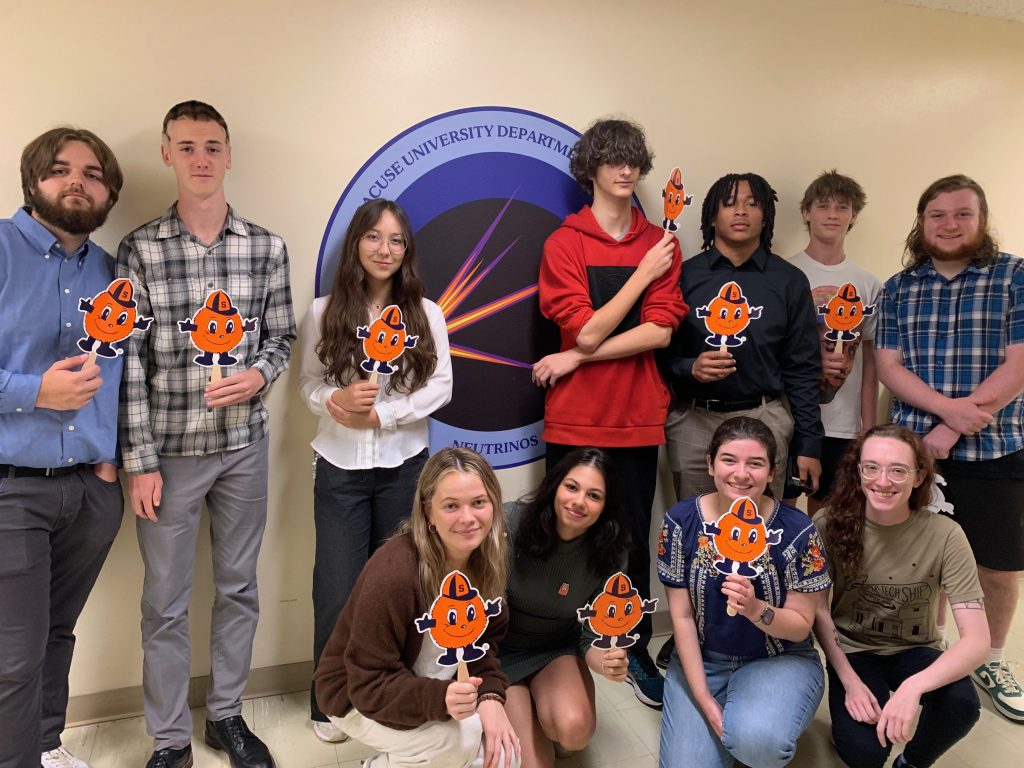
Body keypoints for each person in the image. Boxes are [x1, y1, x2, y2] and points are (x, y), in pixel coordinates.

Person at [117, 101, 296, 768]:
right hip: (166, 454)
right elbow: (126, 359)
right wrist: (138, 459)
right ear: (167, 154)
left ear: (228, 156)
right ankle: (168, 740)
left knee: (238, 587)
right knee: (163, 603)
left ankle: (225, 716)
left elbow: (280, 338)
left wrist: (257, 377)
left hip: (243, 450)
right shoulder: (139, 248)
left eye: (212, 146)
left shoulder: (267, 247)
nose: (200, 158)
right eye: (186, 146)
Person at [531, 117, 688, 708]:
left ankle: (634, 645)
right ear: (591, 168)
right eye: (613, 159)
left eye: (634, 160)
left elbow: (660, 334)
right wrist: (640, 279)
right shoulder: (565, 242)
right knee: (562, 533)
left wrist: (573, 358)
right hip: (574, 418)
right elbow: (588, 329)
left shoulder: (660, 242)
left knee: (631, 539)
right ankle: (555, 644)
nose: (626, 170)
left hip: (638, 416)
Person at [298, 198, 452, 742]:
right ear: (355, 244)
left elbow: (441, 386)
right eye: (374, 237)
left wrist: (382, 414)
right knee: (337, 588)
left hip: (404, 470)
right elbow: (308, 385)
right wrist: (336, 401)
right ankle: (328, 701)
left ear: (406, 251)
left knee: (400, 590)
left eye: (396, 241)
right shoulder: (322, 311)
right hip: (339, 469)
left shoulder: (426, 314)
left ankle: (390, 692)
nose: (384, 250)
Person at [655, 173, 823, 669]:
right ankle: (693, 631)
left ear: (766, 216)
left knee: (763, 531)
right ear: (711, 216)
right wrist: (691, 369)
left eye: (752, 204)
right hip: (694, 420)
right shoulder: (683, 275)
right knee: (695, 534)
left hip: (767, 417)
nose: (742, 212)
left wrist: (809, 440)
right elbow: (658, 355)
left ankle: (762, 630)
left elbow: (803, 366)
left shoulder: (789, 280)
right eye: (729, 204)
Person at [876, 174, 1024, 723]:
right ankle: (931, 650)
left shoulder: (1014, 276)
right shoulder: (898, 287)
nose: (949, 224)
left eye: (962, 214)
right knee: (918, 562)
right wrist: (946, 412)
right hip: (914, 452)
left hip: (997, 448)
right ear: (921, 223)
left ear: (981, 219)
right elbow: (890, 367)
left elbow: (1019, 363)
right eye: (937, 215)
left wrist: (957, 424)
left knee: (998, 566)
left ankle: (990, 658)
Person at [0, 128, 125, 768]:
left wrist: (112, 460)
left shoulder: (112, 273)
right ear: (33, 181)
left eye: (93, 172)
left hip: (92, 491)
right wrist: (32, 392)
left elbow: (127, 376)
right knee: (13, 654)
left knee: (55, 633)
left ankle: (46, 746)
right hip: (12, 488)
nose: (77, 180)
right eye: (60, 169)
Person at [314, 447, 520, 768]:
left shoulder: (488, 559)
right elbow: (368, 682)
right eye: (451, 506)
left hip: (426, 682)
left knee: (503, 754)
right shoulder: (396, 571)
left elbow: (484, 647)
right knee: (458, 744)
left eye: (478, 502)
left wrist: (492, 697)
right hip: (353, 693)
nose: (468, 518)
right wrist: (438, 700)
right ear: (428, 513)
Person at [658, 417, 831, 768]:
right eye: (728, 460)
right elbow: (682, 616)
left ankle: (755, 721)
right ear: (710, 464)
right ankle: (734, 719)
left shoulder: (798, 530)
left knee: (758, 746)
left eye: (755, 463)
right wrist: (703, 698)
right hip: (704, 660)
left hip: (778, 659)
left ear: (772, 472)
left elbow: (800, 626)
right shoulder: (680, 521)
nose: (741, 474)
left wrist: (756, 609)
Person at [812, 425, 988, 768]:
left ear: (919, 476)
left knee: (962, 704)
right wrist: (849, 681)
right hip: (854, 652)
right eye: (871, 467)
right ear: (858, 471)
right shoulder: (828, 523)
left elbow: (978, 642)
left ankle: (911, 762)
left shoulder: (946, 535)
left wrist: (914, 688)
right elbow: (818, 611)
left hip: (917, 649)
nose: (883, 481)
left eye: (898, 470)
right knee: (864, 753)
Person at [501, 447, 631, 766]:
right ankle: (527, 713)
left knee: (575, 731)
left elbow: (593, 637)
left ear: (606, 506)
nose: (578, 502)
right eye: (571, 487)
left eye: (594, 495)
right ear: (555, 486)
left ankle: (547, 718)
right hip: (500, 650)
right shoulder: (510, 521)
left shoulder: (611, 553)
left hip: (555, 647)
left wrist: (608, 663)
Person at [788, 171, 881, 513]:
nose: (832, 214)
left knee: (827, 513)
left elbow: (872, 360)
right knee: (780, 507)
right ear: (806, 212)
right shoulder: (786, 274)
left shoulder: (869, 285)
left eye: (842, 207)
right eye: (822, 205)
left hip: (842, 422)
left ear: (853, 216)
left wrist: (867, 426)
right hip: (791, 417)